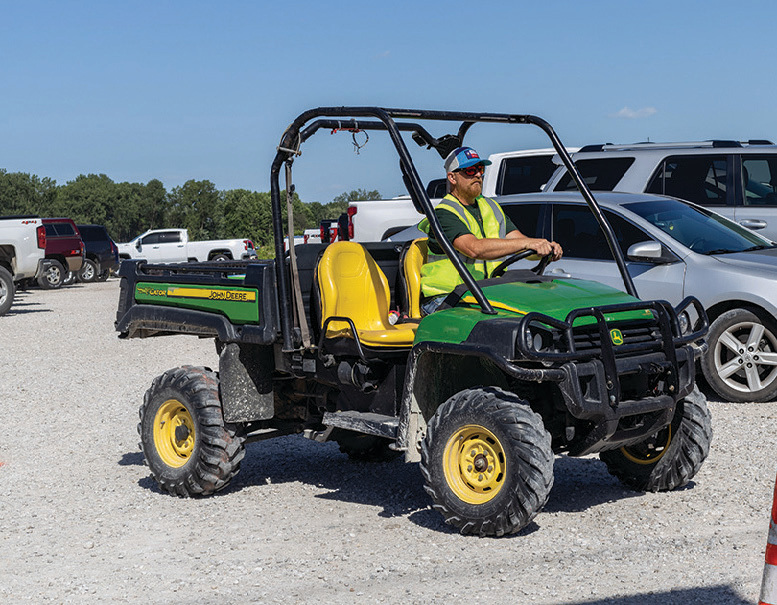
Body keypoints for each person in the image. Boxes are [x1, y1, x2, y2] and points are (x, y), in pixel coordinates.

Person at [419, 146, 563, 315]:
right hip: (446, 298)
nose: (478, 175)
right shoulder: (444, 214)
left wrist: (543, 249)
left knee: (539, 309)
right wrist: (528, 243)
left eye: (480, 169)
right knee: (498, 325)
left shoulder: (491, 207)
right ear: (452, 177)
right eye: (470, 170)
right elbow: (474, 248)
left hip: (483, 293)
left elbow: (521, 244)